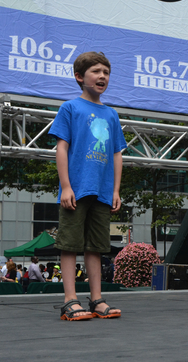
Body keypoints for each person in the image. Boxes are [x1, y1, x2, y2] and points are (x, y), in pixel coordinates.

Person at [48, 51, 127, 321]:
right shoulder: (70, 108)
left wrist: (115, 190)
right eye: (96, 71)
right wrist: (66, 186)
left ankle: (97, 299)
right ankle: (70, 299)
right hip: (77, 189)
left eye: (106, 72)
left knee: (96, 246)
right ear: (80, 77)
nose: (102, 76)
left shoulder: (112, 114)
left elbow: (117, 154)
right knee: (70, 245)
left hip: (103, 191)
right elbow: (62, 148)